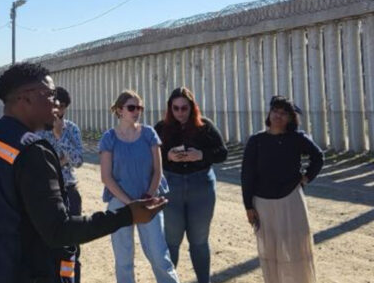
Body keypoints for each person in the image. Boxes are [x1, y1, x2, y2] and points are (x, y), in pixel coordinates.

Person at [0, 63, 168, 283]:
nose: (56, 103)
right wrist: (128, 215)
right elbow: (58, 231)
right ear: (26, 98)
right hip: (17, 272)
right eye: (51, 95)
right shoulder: (32, 151)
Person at [241, 95, 324, 283]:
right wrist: (248, 206)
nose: (278, 116)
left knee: (296, 247)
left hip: (291, 199)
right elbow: (247, 176)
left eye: (284, 113)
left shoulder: (296, 138)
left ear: (290, 118)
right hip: (262, 202)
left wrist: (307, 176)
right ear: (269, 114)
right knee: (270, 250)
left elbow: (318, 157)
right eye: (275, 111)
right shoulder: (256, 141)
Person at [100, 90, 179, 283]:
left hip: (149, 200)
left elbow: (158, 170)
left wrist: (147, 197)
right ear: (120, 110)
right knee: (124, 260)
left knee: (160, 256)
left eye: (139, 107)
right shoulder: (109, 138)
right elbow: (106, 177)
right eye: (132, 107)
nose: (137, 111)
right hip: (120, 203)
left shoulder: (149, 133)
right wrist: (130, 203)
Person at [154, 87, 227, 283]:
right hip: (171, 186)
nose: (180, 113)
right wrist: (167, 156)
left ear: (192, 107)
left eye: (184, 108)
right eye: (175, 108)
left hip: (201, 185)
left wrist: (201, 155)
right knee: (171, 241)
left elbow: (222, 153)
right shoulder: (161, 128)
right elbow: (150, 156)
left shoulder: (205, 126)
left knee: (199, 242)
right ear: (170, 109)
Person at [36, 86, 84, 282]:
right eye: (53, 105)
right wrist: (61, 160)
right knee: (45, 242)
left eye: (61, 106)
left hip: (69, 190)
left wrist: (59, 136)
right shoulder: (38, 129)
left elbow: (78, 160)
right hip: (45, 193)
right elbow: (39, 161)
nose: (56, 110)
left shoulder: (71, 129)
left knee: (71, 244)